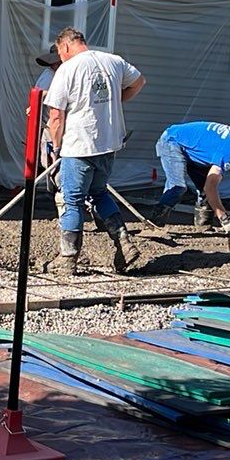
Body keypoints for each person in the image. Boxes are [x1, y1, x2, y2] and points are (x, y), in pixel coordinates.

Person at [44, 27, 146, 274]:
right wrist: (115, 100)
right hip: (108, 144)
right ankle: (124, 242)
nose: (61, 57)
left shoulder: (68, 69)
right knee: (99, 193)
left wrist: (56, 147)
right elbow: (140, 82)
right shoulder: (113, 61)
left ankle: (67, 259)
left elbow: (56, 116)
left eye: (60, 52)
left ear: (66, 46)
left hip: (79, 145)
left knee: (72, 201)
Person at [151, 121, 230, 231]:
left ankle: (203, 226)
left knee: (204, 191)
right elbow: (210, 186)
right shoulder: (227, 152)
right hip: (172, 141)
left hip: (191, 148)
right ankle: (155, 221)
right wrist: (224, 218)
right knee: (178, 186)